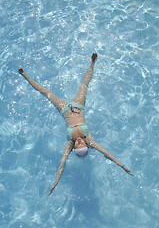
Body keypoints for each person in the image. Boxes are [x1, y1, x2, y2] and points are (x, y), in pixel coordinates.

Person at [18, 53, 133, 195]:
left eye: (78, 144)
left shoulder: (69, 145)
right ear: (86, 144)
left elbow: (62, 163)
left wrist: (56, 181)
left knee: (46, 92)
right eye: (82, 143)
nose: (79, 141)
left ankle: (25, 76)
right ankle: (92, 63)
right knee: (84, 84)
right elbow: (106, 153)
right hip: (79, 106)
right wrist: (122, 165)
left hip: (64, 108)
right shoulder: (90, 141)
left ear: (75, 147)